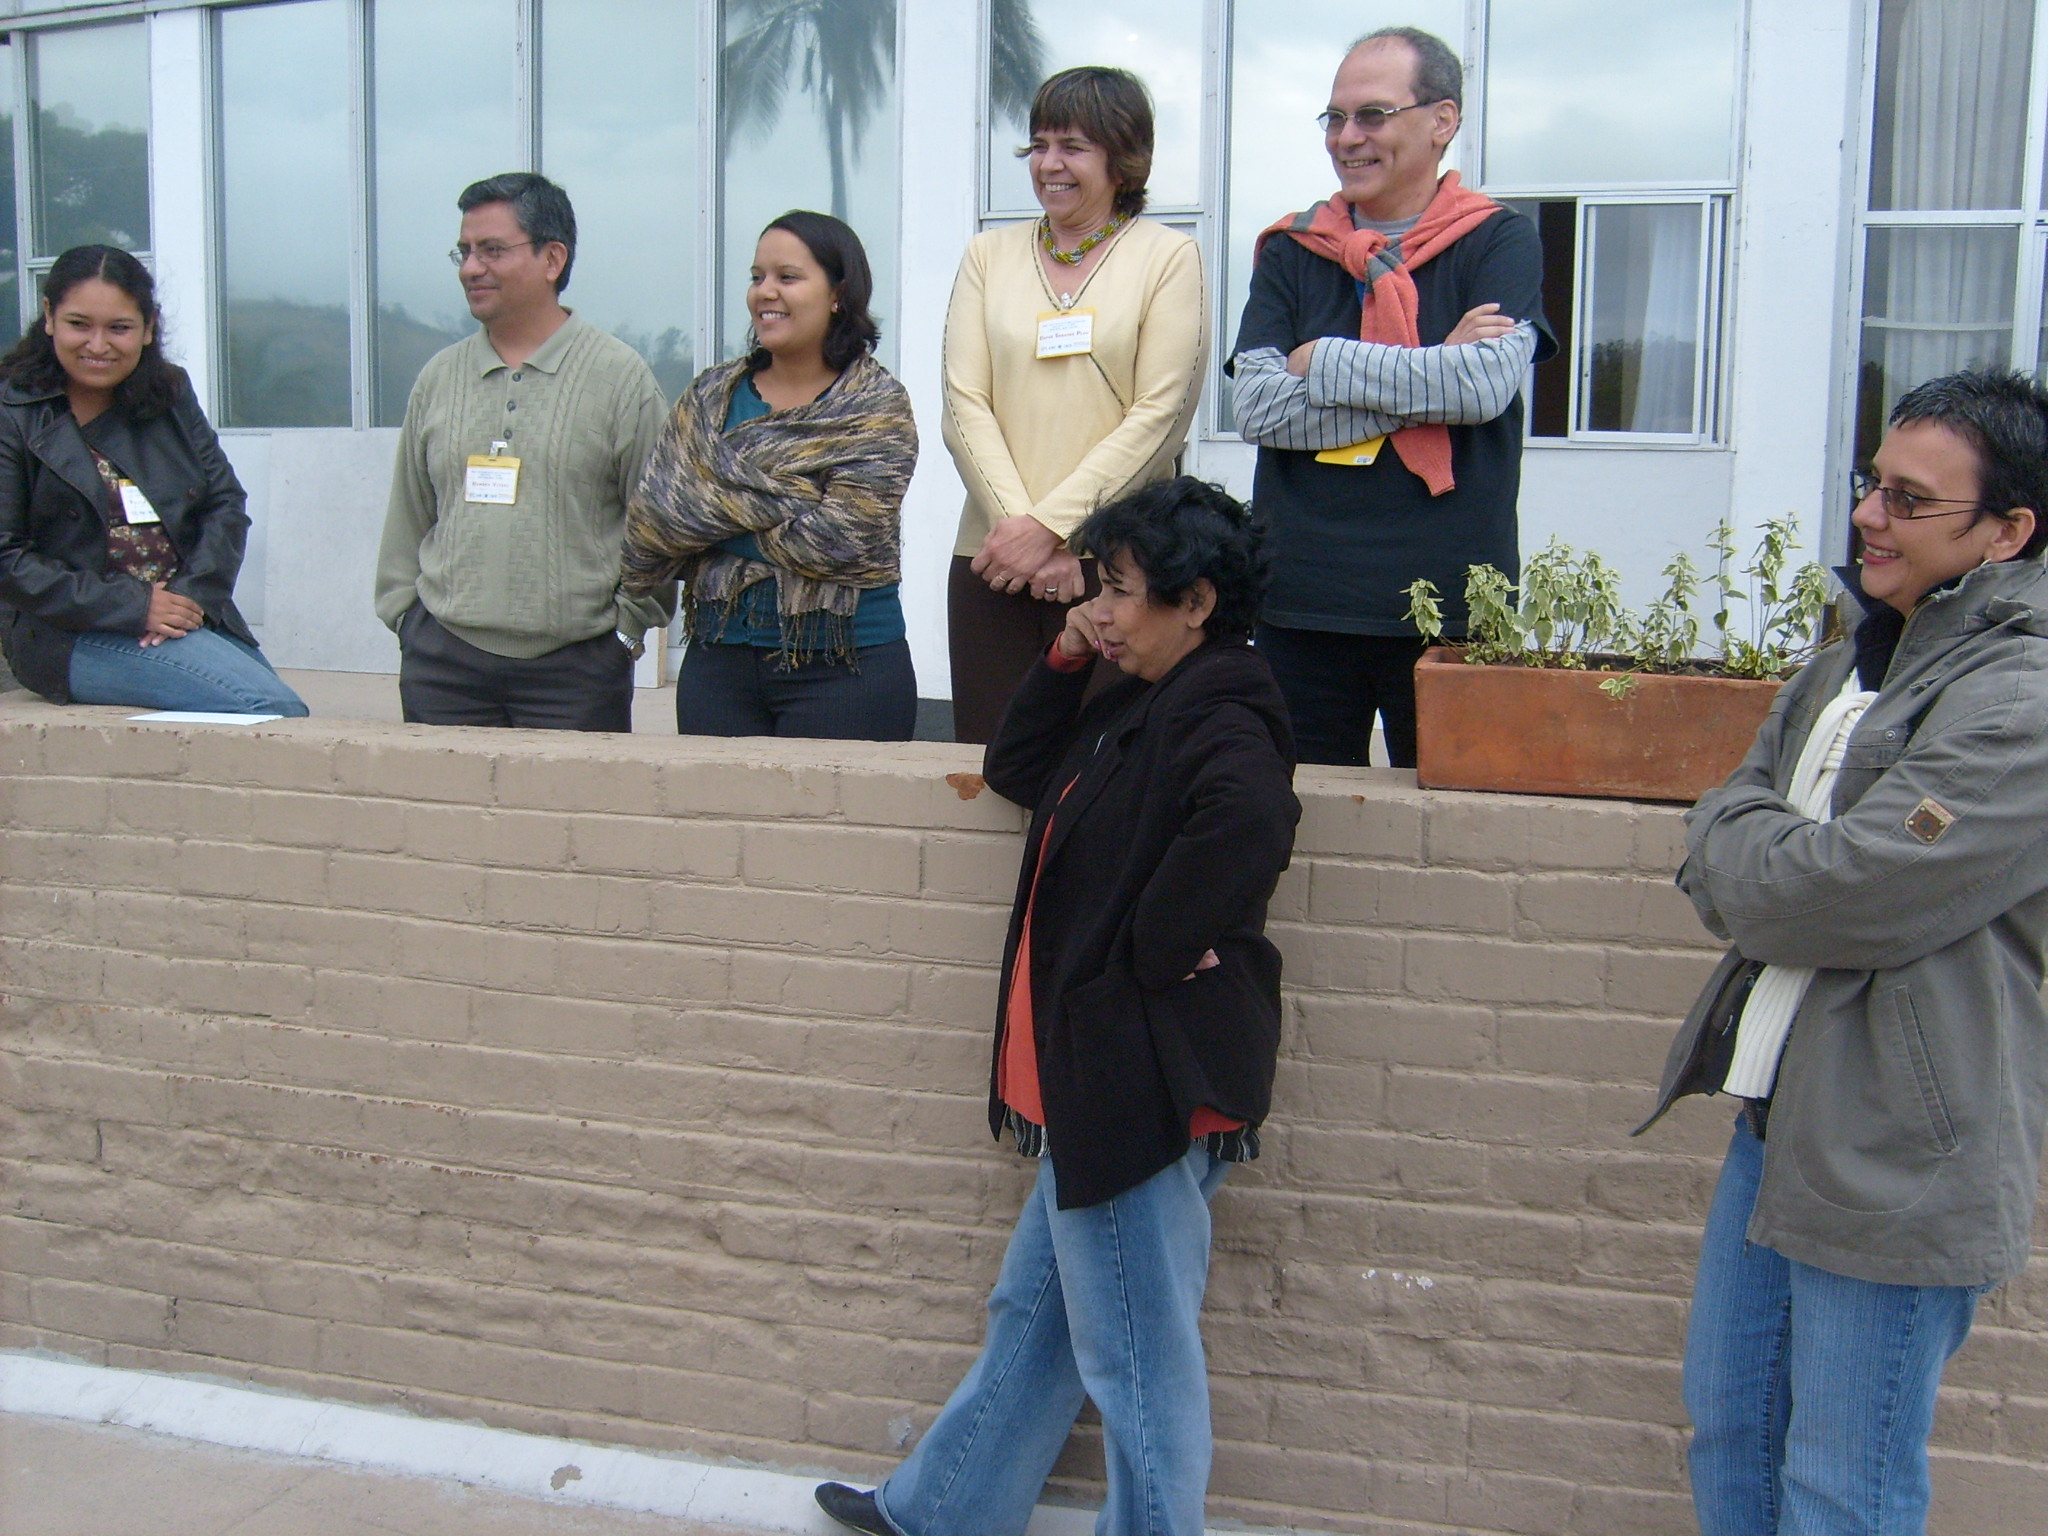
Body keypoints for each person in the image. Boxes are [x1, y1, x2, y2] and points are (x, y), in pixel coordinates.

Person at [814, 477, 1299, 1536]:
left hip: (1141, 1077)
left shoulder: (1224, 705)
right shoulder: (1143, 687)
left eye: (1118, 590)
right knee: (1034, 1320)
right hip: (1096, 1075)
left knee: (1134, 1362)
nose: (1098, 607)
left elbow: (1249, 822)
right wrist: (1070, 653)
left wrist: (1142, 960)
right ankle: (941, 1508)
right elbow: (1017, 766)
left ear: (1196, 601)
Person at [1638, 369, 2048, 1536]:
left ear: (2007, 532)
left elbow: (1838, 895)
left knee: (1840, 1489)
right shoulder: (1854, 655)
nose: (1867, 515)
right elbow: (1724, 818)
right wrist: (1751, 844)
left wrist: (1748, 848)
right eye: (1869, 483)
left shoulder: (2015, 699)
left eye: (1908, 500)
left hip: (1899, 1150)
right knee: (1732, 1445)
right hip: (1776, 1119)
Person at [1230, 25, 1553, 768]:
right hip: (1301, 599)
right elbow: (1258, 409)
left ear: (1443, 121)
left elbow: (1482, 389)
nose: (1347, 137)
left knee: (1446, 831)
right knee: (1295, 824)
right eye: (1335, 118)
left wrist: (1321, 362)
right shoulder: (1291, 248)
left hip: (1454, 605)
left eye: (1372, 115)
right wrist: (1434, 367)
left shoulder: (1499, 241)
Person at [943, 65, 1207, 744]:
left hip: (1126, 567)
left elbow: (1163, 414)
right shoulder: (987, 256)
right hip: (994, 561)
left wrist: (1057, 528)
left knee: (1113, 777)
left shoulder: (1168, 257)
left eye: (1073, 146)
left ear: (1123, 159)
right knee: (997, 769)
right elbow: (963, 405)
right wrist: (1023, 534)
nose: (1049, 164)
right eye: (1039, 145)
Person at [373, 172, 671, 732]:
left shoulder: (619, 377)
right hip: (444, 666)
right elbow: (409, 512)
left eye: (491, 250)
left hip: (576, 673)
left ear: (552, 258)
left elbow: (657, 526)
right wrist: (406, 619)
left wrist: (626, 631)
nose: (470, 268)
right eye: (463, 251)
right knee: (449, 819)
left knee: (569, 821)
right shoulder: (439, 377)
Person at [622, 211, 917, 739]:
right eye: (757, 277)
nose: (765, 292)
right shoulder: (709, 397)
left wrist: (709, 512)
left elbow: (839, 540)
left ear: (837, 294)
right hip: (717, 663)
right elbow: (656, 520)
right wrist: (796, 503)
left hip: (846, 665)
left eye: (787, 276)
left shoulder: (877, 407)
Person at [0, 246, 305, 717]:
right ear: (48, 317)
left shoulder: (170, 394)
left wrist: (189, 596)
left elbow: (225, 504)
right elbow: (6, 555)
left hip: (183, 617)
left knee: (276, 713)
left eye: (119, 328)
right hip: (69, 633)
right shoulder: (12, 410)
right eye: (79, 324)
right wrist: (134, 606)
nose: (97, 346)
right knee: (268, 707)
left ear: (147, 328)